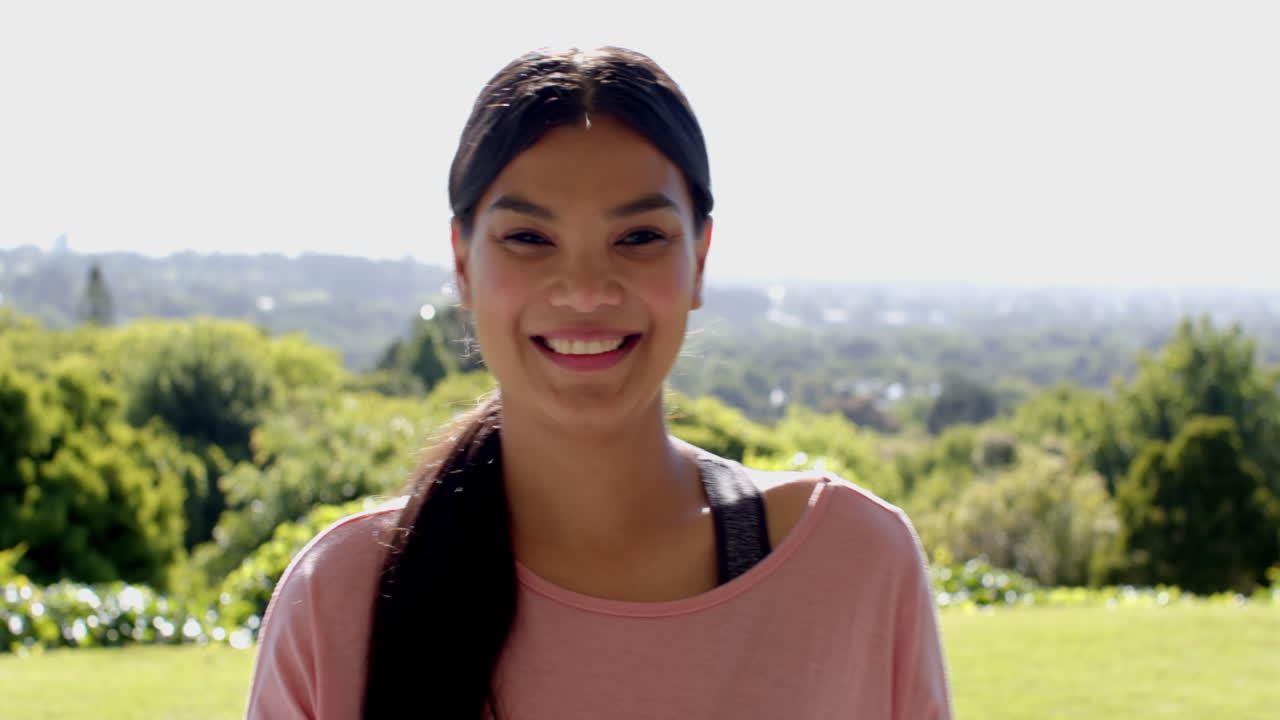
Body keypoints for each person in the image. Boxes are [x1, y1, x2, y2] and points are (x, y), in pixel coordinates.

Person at [244, 46, 952, 719]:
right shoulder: (339, 599)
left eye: (639, 237)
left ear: (700, 259)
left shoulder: (852, 564)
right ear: (461, 263)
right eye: (529, 238)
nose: (584, 291)